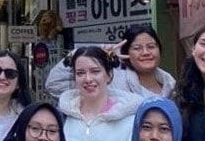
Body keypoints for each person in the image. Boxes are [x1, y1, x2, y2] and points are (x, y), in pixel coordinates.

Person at [45, 26, 175, 100]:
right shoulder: (111, 81)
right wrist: (95, 52)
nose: (146, 52)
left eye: (151, 46)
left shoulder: (173, 88)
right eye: (137, 48)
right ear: (125, 53)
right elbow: (54, 84)